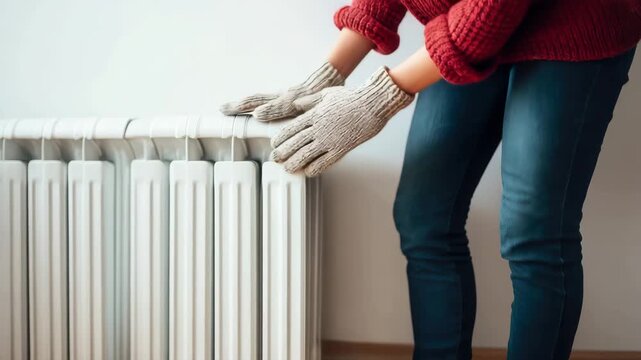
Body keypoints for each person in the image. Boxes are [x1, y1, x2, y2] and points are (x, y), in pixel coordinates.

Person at [221, 0, 641, 359]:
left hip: (570, 23)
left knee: (534, 233)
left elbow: (493, 11)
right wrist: (329, 75)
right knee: (424, 218)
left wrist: (375, 100)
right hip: (466, 18)